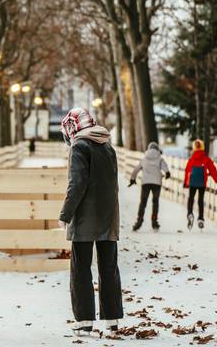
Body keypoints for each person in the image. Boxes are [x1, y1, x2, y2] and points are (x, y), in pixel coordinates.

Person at [58, 108, 123, 337]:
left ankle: (84, 320)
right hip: (108, 215)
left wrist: (65, 214)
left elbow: (77, 184)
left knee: (81, 269)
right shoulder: (107, 146)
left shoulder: (79, 146)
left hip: (85, 216)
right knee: (108, 267)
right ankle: (112, 319)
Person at [128, 142, 171, 231]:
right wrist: (167, 174)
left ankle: (139, 221)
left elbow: (136, 170)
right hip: (156, 183)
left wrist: (133, 179)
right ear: (157, 149)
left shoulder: (144, 159)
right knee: (155, 202)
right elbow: (166, 169)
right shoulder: (160, 159)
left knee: (143, 202)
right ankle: (154, 222)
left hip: (145, 183)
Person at [183, 139, 217, 230]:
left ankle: (190, 213)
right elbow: (213, 170)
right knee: (200, 200)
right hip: (202, 182)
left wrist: (185, 182)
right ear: (202, 147)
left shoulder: (191, 159)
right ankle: (200, 219)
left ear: (194, 148)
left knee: (191, 198)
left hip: (192, 182)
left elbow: (187, 170)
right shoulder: (206, 159)